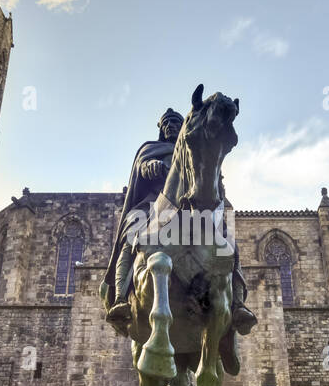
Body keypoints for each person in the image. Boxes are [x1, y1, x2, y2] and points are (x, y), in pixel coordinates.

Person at [101, 106, 256, 335]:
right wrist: (148, 167)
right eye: (167, 123)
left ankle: (238, 304)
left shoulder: (192, 147)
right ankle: (121, 300)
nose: (171, 126)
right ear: (161, 128)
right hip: (151, 207)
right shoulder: (150, 149)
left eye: (175, 122)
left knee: (226, 241)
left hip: (190, 206)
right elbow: (140, 170)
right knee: (130, 234)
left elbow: (209, 174)